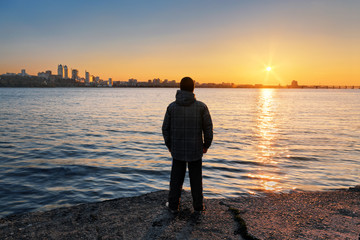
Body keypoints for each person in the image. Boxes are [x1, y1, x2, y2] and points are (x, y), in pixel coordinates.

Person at [162, 76, 213, 213]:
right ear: (193, 88)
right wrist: (206, 145)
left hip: (177, 150)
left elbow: (165, 129)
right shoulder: (201, 107)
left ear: (180, 87)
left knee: (175, 180)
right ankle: (198, 207)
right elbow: (208, 129)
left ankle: (173, 206)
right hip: (196, 150)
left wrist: (170, 146)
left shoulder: (171, 107)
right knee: (196, 181)